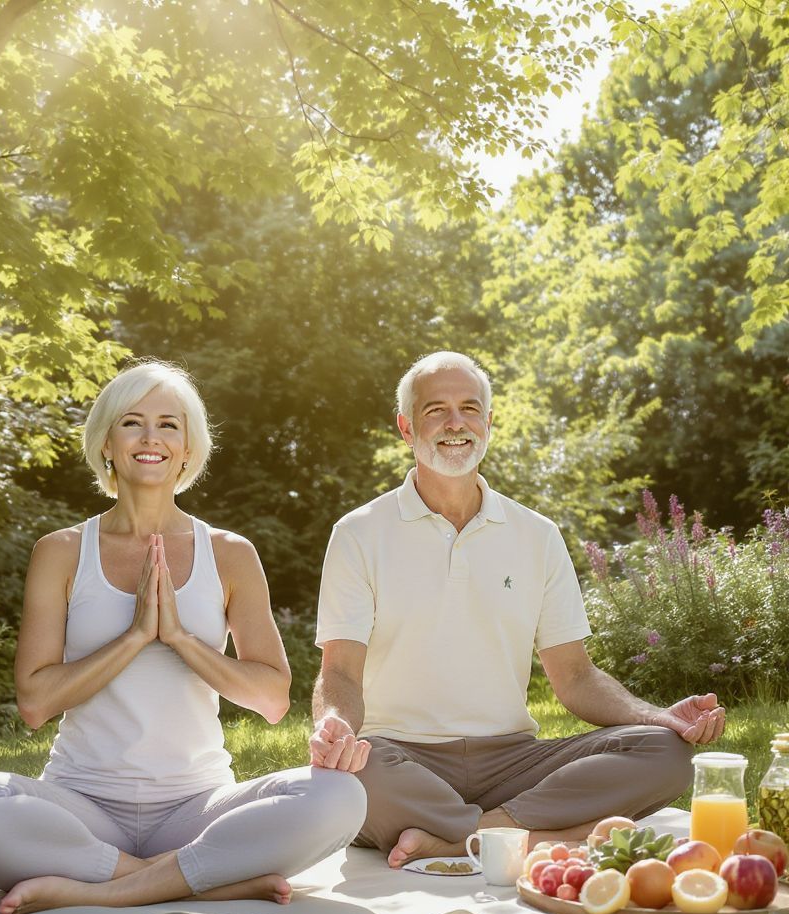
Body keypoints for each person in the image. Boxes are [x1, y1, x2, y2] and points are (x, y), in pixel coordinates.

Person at [0, 360, 366, 914]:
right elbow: (35, 703)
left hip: (196, 806)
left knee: (339, 795)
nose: (151, 438)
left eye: (170, 425)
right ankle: (195, 879)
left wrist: (180, 637)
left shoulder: (230, 553)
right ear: (106, 442)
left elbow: (272, 699)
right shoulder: (61, 551)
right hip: (82, 804)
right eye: (132, 422)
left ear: (189, 448)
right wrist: (135, 636)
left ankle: (95, 887)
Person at [309, 351, 726, 868]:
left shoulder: (537, 535)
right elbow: (340, 672)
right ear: (406, 426)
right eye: (435, 409)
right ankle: (542, 834)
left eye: (469, 407)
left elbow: (574, 677)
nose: (455, 423)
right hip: (400, 757)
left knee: (662, 753)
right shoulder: (358, 534)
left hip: (513, 760)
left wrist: (657, 717)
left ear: (489, 422)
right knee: (352, 775)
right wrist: (336, 726)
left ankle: (473, 835)